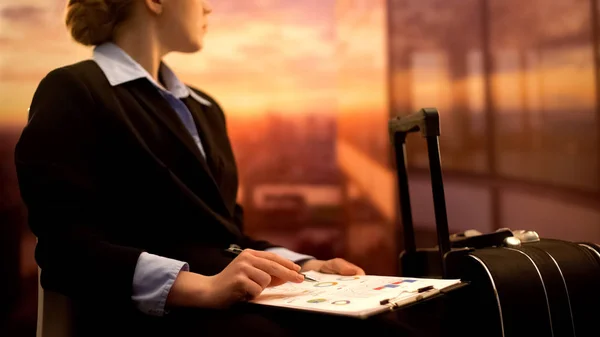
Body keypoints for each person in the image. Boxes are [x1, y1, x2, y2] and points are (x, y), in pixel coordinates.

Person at [15, 1, 441, 336]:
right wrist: (202, 286)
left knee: (384, 329)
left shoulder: (204, 108)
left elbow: (229, 239)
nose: (209, 7)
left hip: (230, 305)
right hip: (151, 317)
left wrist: (305, 267)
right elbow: (66, 251)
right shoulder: (74, 90)